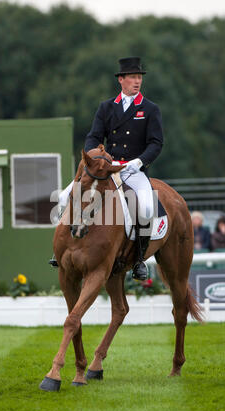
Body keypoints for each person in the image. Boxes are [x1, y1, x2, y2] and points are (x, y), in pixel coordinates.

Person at [51, 57, 163, 280]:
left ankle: (139, 260)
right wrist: (95, 158)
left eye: (139, 77)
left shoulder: (149, 109)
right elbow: (93, 137)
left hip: (133, 170)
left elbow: (156, 143)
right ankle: (60, 250)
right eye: (132, 77)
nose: (137, 81)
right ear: (121, 80)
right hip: (104, 168)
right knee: (64, 198)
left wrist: (139, 162)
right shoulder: (106, 107)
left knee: (147, 209)